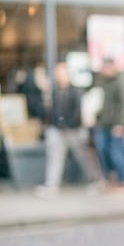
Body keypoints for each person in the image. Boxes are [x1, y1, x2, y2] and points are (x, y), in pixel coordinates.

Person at [37, 62, 102, 196]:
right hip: (57, 129)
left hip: (75, 130)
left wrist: (71, 125)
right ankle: (52, 185)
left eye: (63, 73)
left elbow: (78, 111)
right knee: (55, 158)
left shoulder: (76, 91)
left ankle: (96, 181)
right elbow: (48, 111)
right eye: (58, 74)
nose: (60, 77)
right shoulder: (53, 91)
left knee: (84, 157)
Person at [93, 57, 124, 190]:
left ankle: (122, 179)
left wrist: (120, 124)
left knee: (116, 152)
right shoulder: (100, 82)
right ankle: (110, 177)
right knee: (103, 150)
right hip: (103, 123)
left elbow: (123, 105)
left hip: (116, 124)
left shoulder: (119, 82)